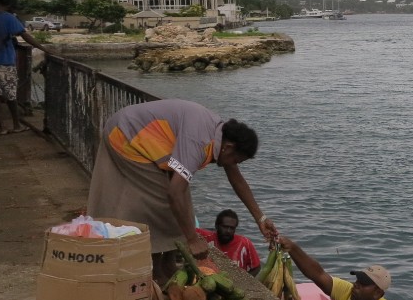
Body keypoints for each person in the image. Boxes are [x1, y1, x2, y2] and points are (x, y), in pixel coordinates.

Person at [86, 98, 278, 283]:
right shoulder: (199, 142)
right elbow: (174, 193)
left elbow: (237, 179)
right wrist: (193, 240)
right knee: (160, 202)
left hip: (147, 137)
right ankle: (153, 271)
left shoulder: (221, 135)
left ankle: (168, 263)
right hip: (127, 135)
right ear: (228, 148)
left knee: (182, 199)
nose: (234, 165)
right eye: (236, 160)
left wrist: (260, 218)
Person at [0, 0, 47, 135]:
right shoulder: (8, 18)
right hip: (5, 62)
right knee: (10, 95)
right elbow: (25, 35)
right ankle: (16, 125)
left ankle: (2, 127)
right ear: (8, 4)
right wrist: (43, 48)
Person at [196, 209, 262, 275]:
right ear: (217, 226)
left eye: (232, 228)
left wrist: (244, 282)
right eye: (225, 227)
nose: (228, 231)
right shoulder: (206, 237)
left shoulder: (244, 243)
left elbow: (256, 267)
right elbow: (187, 231)